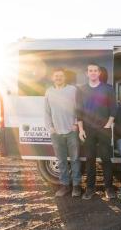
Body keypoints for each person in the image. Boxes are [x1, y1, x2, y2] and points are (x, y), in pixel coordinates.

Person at [76, 63, 116, 200]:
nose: (93, 73)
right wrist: (81, 129)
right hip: (88, 129)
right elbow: (79, 111)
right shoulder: (81, 90)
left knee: (106, 159)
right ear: (87, 73)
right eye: (90, 71)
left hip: (104, 129)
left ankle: (109, 188)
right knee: (90, 159)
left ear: (99, 73)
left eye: (95, 71)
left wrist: (108, 124)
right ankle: (90, 188)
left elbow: (113, 108)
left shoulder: (108, 89)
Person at [44, 68, 81, 197]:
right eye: (56, 76)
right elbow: (46, 112)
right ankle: (65, 186)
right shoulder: (49, 92)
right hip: (56, 133)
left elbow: (78, 108)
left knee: (75, 159)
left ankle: (76, 186)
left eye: (61, 76)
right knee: (61, 161)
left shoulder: (73, 90)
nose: (58, 78)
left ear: (64, 78)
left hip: (71, 131)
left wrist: (76, 123)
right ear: (53, 78)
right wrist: (50, 127)